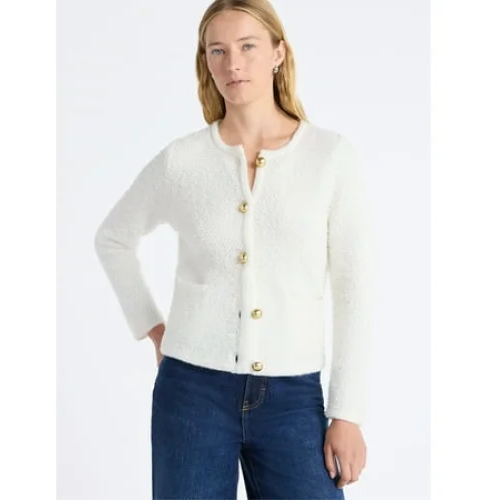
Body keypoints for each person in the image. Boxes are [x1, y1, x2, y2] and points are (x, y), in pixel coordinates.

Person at [94, 0, 374, 498]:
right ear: (205, 61)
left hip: (293, 399)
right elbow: (112, 238)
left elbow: (356, 290)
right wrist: (154, 329)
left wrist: (347, 413)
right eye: (217, 51)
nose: (233, 64)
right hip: (191, 393)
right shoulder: (183, 161)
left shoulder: (329, 157)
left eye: (248, 46)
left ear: (278, 53)